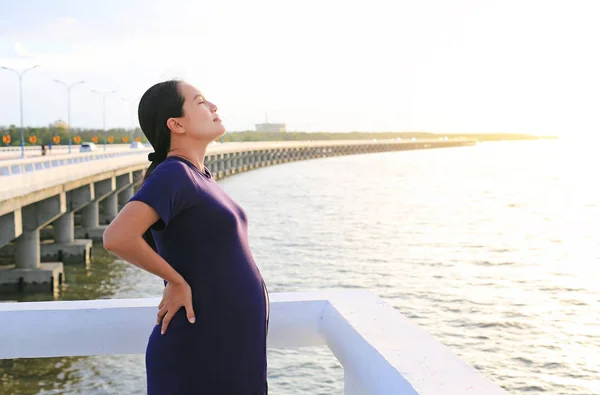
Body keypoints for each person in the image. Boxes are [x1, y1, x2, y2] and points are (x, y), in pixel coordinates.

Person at [103, 80, 269, 394]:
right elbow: (118, 237)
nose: (213, 107)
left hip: (227, 345)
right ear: (176, 124)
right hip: (199, 347)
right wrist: (176, 282)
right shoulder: (174, 174)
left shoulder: (199, 176)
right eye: (200, 101)